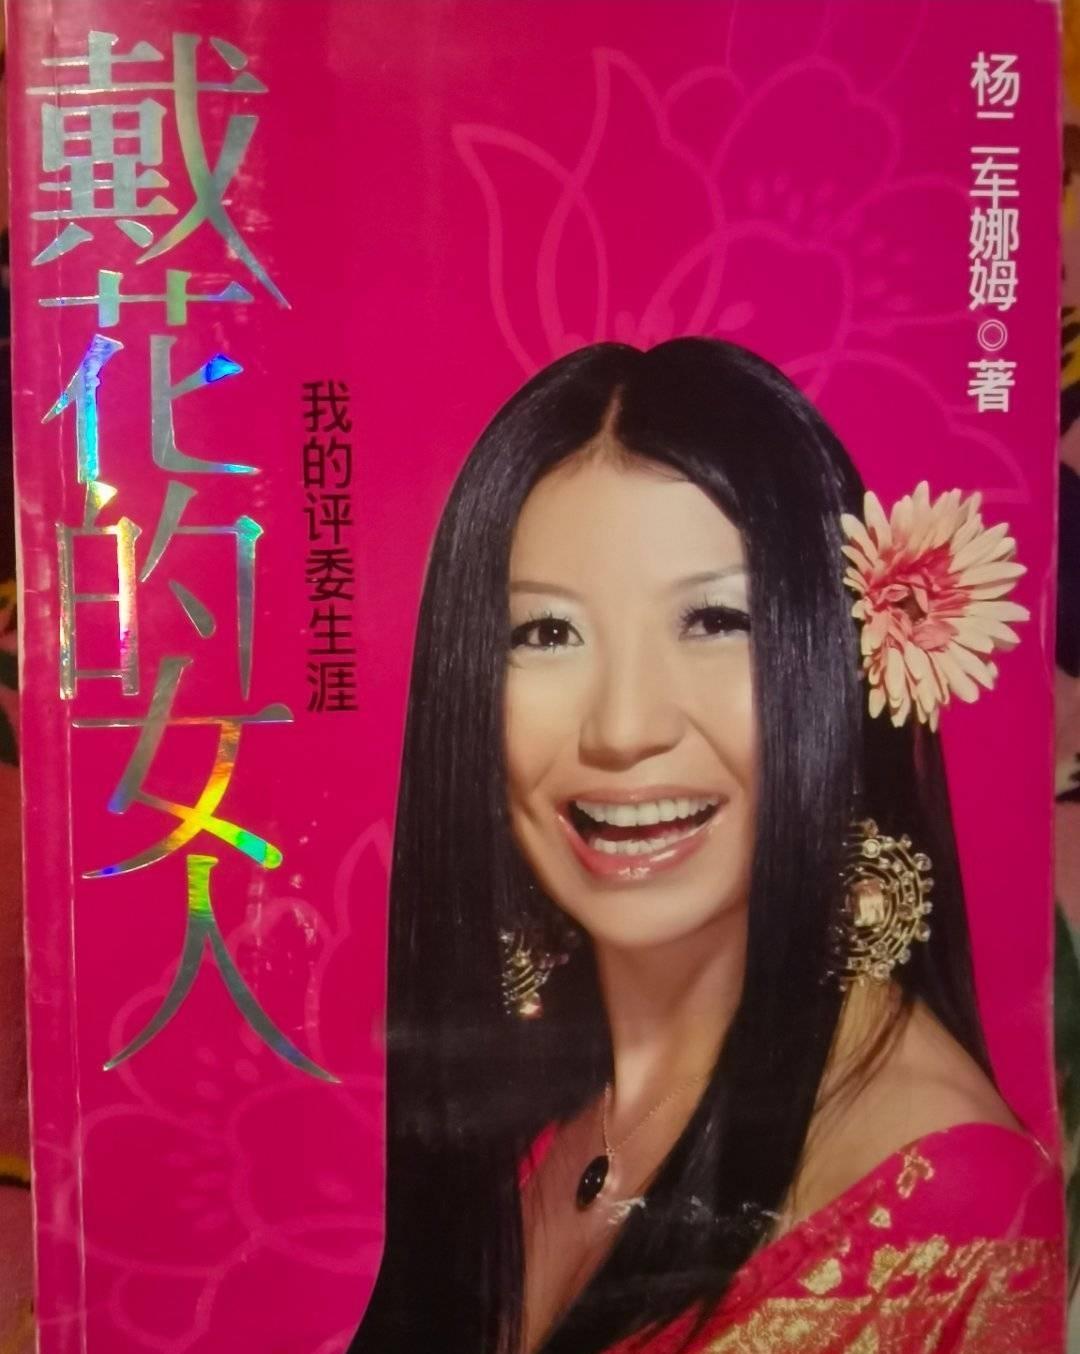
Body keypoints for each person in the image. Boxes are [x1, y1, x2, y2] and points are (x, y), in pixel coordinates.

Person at [349, 339, 1062, 1354]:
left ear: (843, 659)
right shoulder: (525, 1096)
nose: (623, 728)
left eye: (715, 619)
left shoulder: (953, 1219)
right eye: (546, 633)